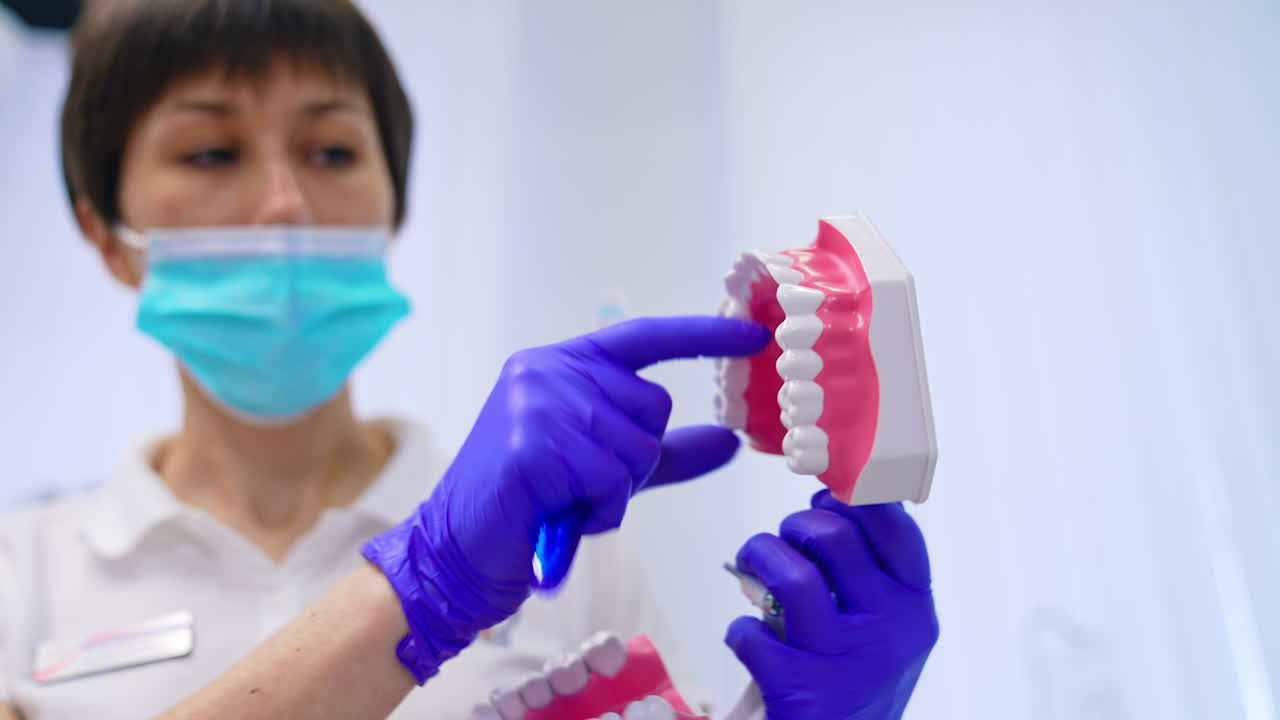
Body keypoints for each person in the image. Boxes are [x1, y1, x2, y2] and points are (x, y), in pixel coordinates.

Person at [0, 1, 939, 718]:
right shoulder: (19, 578)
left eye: (331, 150)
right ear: (106, 234)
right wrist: (425, 587)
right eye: (211, 153)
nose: (283, 202)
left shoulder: (574, 554)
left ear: (392, 208)